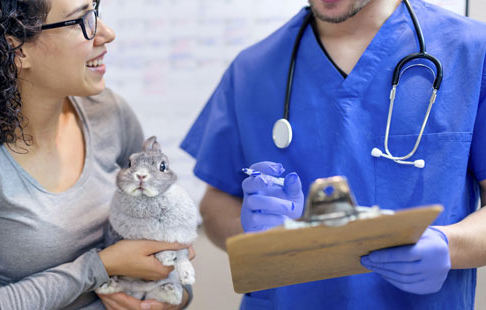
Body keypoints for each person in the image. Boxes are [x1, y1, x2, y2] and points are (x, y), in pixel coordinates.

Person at [181, 0, 486, 308]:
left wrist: (452, 246)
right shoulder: (252, 69)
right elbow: (215, 204)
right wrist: (248, 229)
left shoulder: (470, 50)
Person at [0, 0, 193, 309]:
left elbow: (167, 243)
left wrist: (174, 297)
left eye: (94, 11)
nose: (106, 33)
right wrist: (97, 267)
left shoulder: (110, 112)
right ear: (17, 48)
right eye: (80, 20)